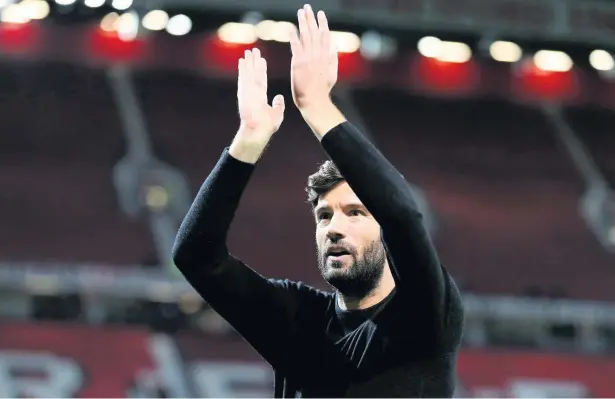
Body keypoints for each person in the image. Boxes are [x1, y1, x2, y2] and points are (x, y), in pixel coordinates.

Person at [172, 4, 464, 397]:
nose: (334, 227)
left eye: (355, 212)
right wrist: (249, 141)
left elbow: (401, 213)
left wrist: (316, 106)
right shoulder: (298, 320)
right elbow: (195, 257)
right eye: (324, 215)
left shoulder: (424, 317)